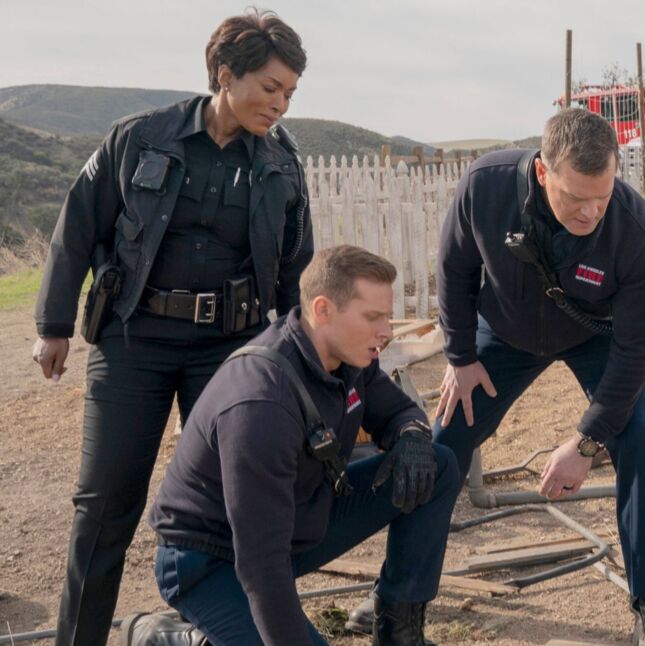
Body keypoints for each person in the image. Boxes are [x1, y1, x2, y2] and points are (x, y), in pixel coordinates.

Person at [30, 10, 312, 645]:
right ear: (224, 73)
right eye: (270, 87)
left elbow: (298, 268)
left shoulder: (284, 165)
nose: (280, 104)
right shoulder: (138, 138)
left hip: (231, 350)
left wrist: (299, 365)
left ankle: (213, 633)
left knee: (233, 506)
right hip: (134, 339)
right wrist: (52, 325)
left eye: (290, 93)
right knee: (103, 506)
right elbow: (76, 229)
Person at [128, 245, 461, 646]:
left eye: (387, 316)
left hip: (297, 519)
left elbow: (398, 411)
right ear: (323, 310)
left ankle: (398, 633)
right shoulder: (261, 404)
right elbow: (260, 564)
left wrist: (412, 436)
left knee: (436, 464)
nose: (387, 331)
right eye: (373, 317)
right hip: (211, 557)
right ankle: (175, 639)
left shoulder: (349, 357)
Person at [431, 108, 645, 644]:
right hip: (504, 329)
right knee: (444, 441)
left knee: (636, 440)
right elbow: (453, 269)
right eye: (575, 198)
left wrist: (588, 440)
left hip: (596, 337)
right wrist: (459, 356)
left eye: (603, 195)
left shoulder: (636, 231)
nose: (591, 211)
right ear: (543, 173)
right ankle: (398, 600)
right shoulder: (486, 187)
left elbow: (638, 347)